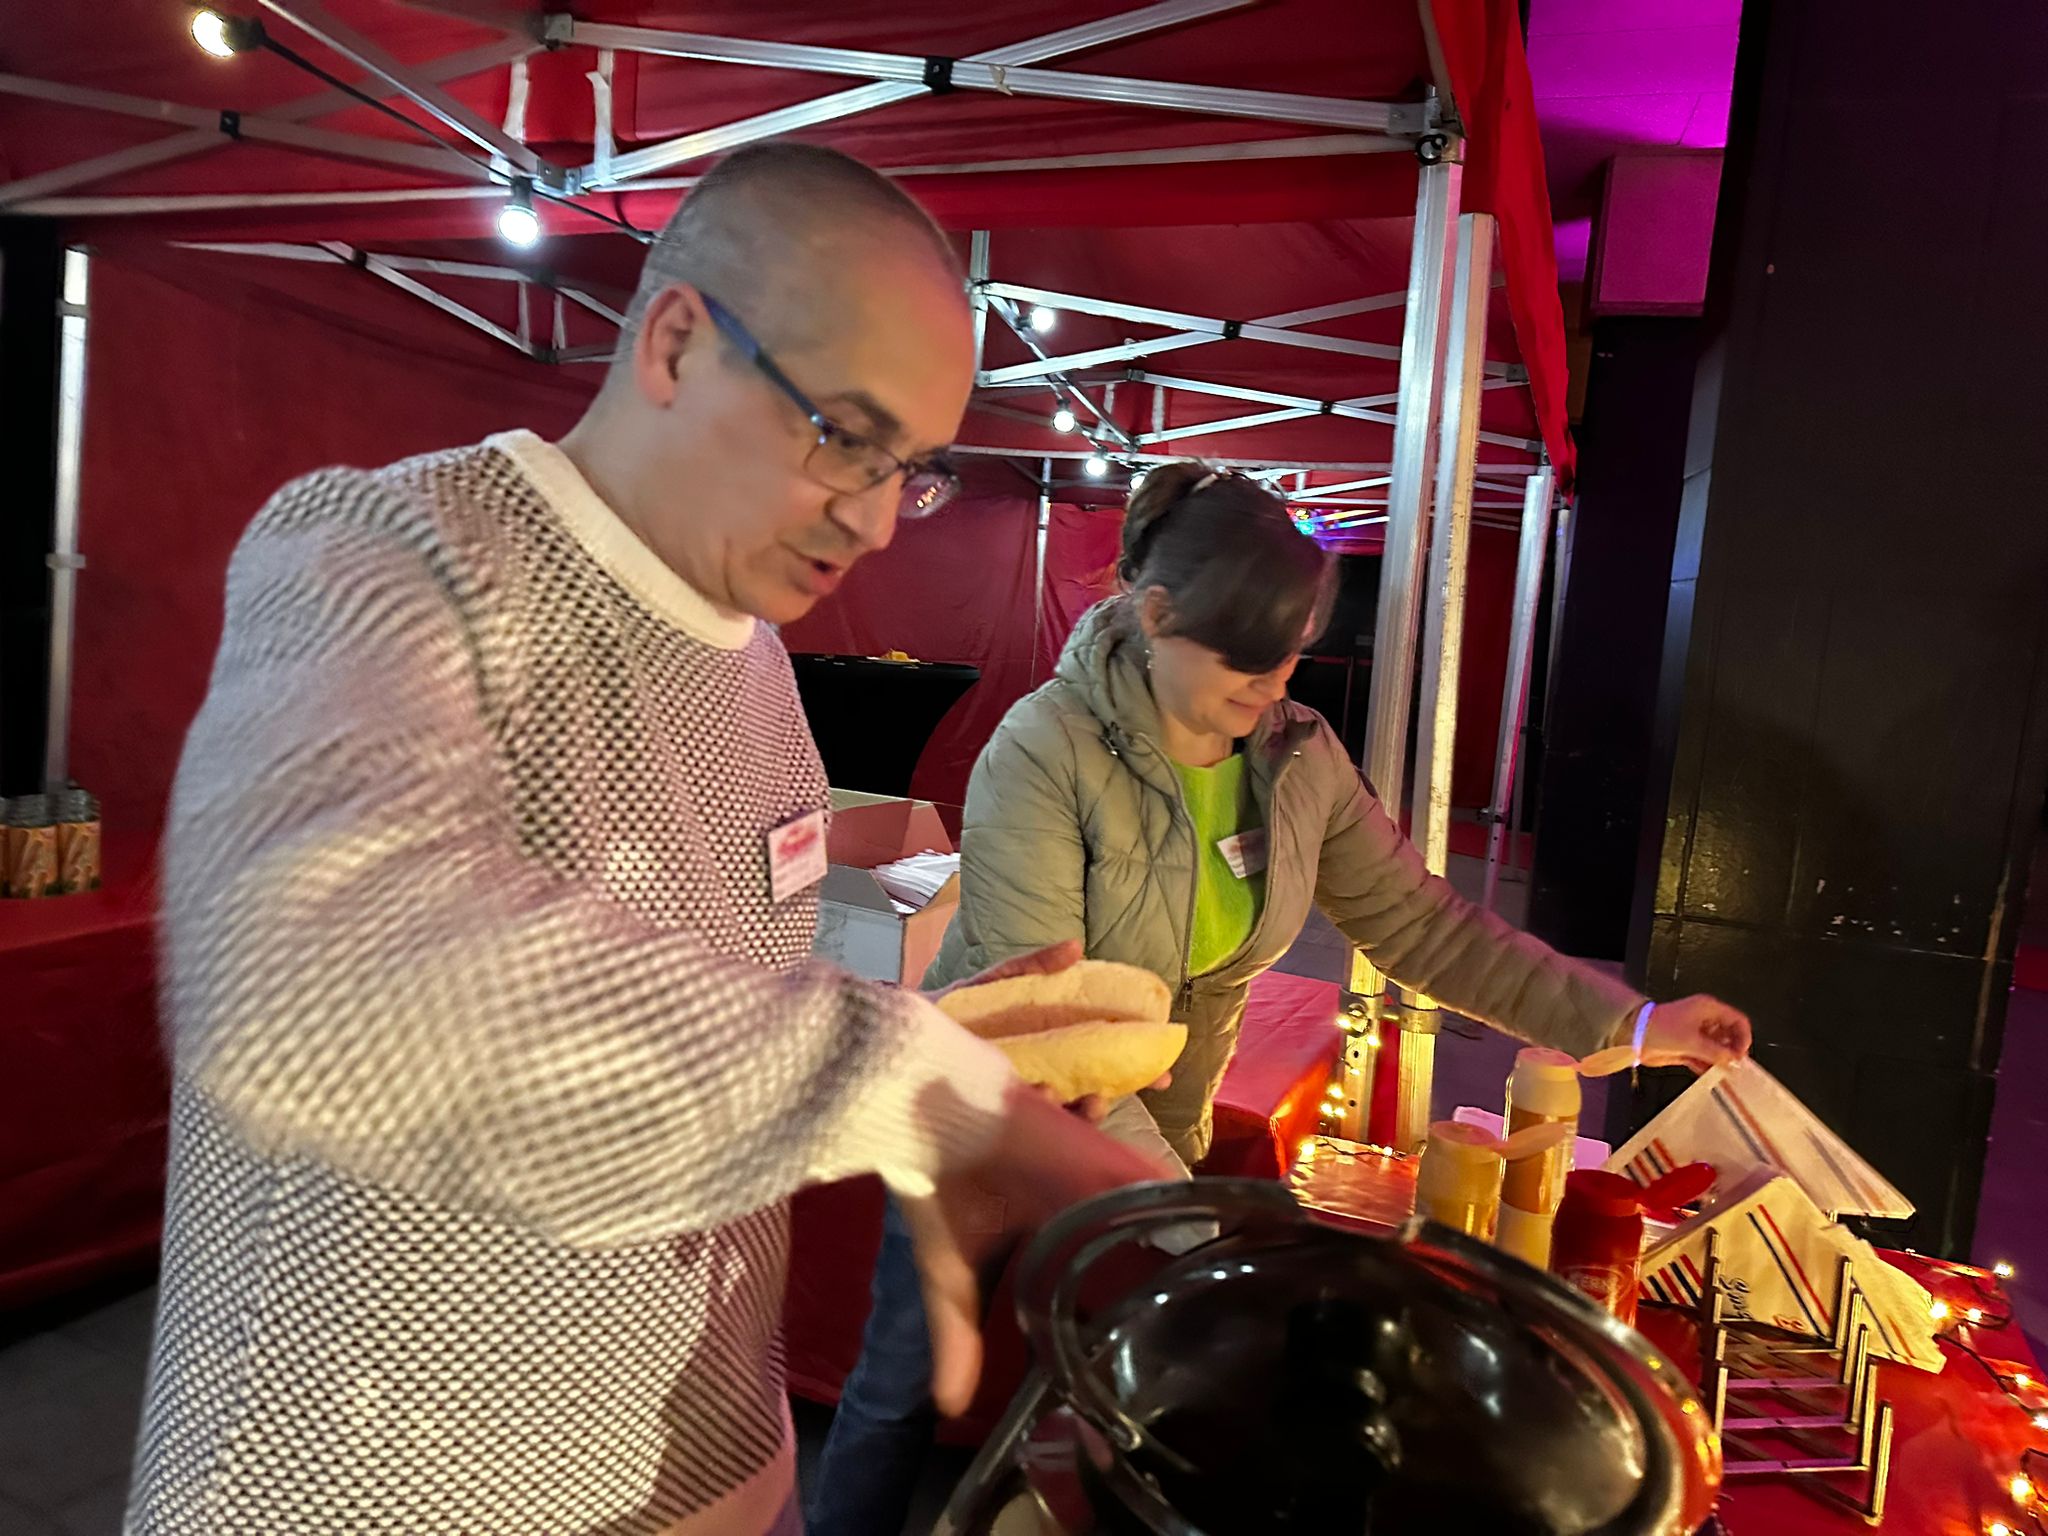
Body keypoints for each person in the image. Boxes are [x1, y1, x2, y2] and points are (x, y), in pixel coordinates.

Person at [127, 143, 1166, 1536]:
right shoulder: (390, 548)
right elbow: (311, 983)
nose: (874, 520)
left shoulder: (757, 659)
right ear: (675, 342)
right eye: (842, 435)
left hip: (723, 1470)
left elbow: (693, 983)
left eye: (909, 470)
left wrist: (943, 1037)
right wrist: (904, 1081)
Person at [808, 462, 1753, 1533]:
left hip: (1150, 1138)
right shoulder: (1042, 749)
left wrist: (1628, 1021)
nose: (1270, 687)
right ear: (1155, 616)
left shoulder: (1295, 754)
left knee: (1112, 1402)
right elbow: (1053, 1017)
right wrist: (1189, 1224)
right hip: (986, 1127)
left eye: (1291, 655)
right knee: (899, 1389)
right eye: (1242, 662)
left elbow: (1423, 924)